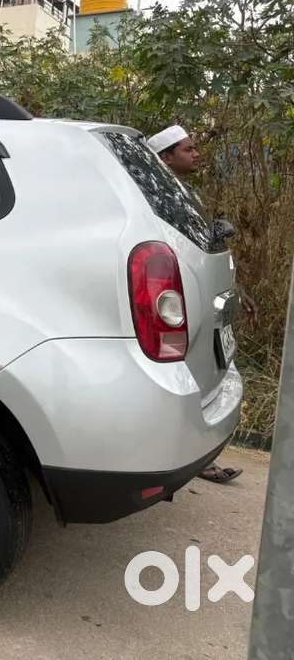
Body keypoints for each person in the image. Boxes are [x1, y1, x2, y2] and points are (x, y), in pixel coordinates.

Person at [148, 125, 243, 484]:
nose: (196, 154)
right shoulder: (155, 196)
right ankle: (187, 457)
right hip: (174, 299)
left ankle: (195, 454)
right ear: (166, 156)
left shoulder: (180, 193)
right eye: (188, 149)